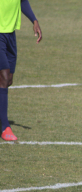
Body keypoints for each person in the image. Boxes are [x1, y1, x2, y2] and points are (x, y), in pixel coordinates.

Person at [0, 0, 42, 141]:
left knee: (8, 79)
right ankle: (5, 127)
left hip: (10, 34)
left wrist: (34, 20)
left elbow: (22, 1)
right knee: (4, 77)